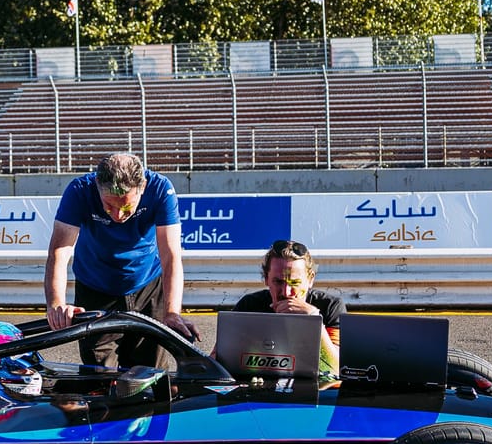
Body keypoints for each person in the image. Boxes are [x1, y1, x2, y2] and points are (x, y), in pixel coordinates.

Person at [44, 152, 194, 370]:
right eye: (108, 206)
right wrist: (56, 304)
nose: (117, 215)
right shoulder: (79, 191)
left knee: (151, 372)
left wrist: (172, 313)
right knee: (101, 375)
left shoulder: (160, 188)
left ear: (142, 188)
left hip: (148, 287)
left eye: (126, 207)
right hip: (95, 290)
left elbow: (170, 256)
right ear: (97, 185)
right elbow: (59, 251)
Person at [231, 239, 344, 387]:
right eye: (278, 282)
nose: (286, 292)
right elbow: (217, 361)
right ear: (266, 279)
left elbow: (335, 369)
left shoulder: (330, 307)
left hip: (314, 393)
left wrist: (315, 320)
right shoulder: (249, 305)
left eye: (295, 283)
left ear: (310, 280)